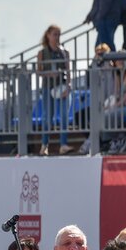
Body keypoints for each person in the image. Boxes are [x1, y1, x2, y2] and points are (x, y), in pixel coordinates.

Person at [37, 25, 74, 156]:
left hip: (62, 87)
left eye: (58, 34)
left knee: (64, 115)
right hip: (48, 88)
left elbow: (69, 71)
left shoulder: (64, 52)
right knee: (48, 116)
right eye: (54, 34)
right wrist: (49, 74)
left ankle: (63, 144)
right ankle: (44, 145)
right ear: (48, 35)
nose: (57, 37)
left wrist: (69, 86)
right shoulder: (42, 53)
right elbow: (39, 71)